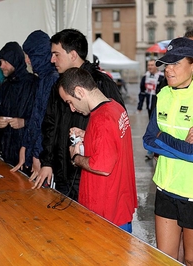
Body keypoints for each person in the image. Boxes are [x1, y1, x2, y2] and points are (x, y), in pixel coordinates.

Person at [142, 37, 193, 266]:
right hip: (165, 187)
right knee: (164, 258)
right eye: (166, 64)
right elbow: (148, 140)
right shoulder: (163, 95)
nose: (168, 70)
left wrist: (162, 139)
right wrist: (176, 142)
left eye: (176, 64)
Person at [31, 29, 125, 200]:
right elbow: (50, 125)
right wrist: (47, 162)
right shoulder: (58, 85)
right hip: (63, 172)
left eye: (56, 54)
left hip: (90, 173)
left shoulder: (102, 82)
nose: (52, 60)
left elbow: (117, 128)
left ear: (73, 54)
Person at [58, 67, 137, 233]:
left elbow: (101, 166)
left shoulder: (102, 119)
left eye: (70, 102)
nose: (72, 109)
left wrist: (76, 157)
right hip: (119, 205)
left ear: (79, 91)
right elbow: (112, 142)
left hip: (106, 215)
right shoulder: (114, 107)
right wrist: (88, 135)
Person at [11, 30, 59, 175]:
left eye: (29, 56)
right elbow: (35, 118)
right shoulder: (43, 79)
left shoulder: (53, 79)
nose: (26, 60)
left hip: (46, 157)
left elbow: (46, 122)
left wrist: (38, 155)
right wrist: (25, 147)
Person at [0, 41, 37, 169]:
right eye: (0, 62)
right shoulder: (5, 87)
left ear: (15, 61)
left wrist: (24, 122)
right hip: (7, 156)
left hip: (30, 157)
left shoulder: (35, 84)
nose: (1, 66)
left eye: (5, 62)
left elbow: (44, 118)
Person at [137, 59, 164, 160]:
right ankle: (151, 149)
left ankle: (155, 149)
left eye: (152, 65)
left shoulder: (161, 77)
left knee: (158, 127)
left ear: (156, 66)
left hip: (158, 106)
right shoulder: (145, 76)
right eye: (148, 65)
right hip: (149, 106)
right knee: (151, 126)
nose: (150, 67)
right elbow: (142, 92)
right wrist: (140, 106)